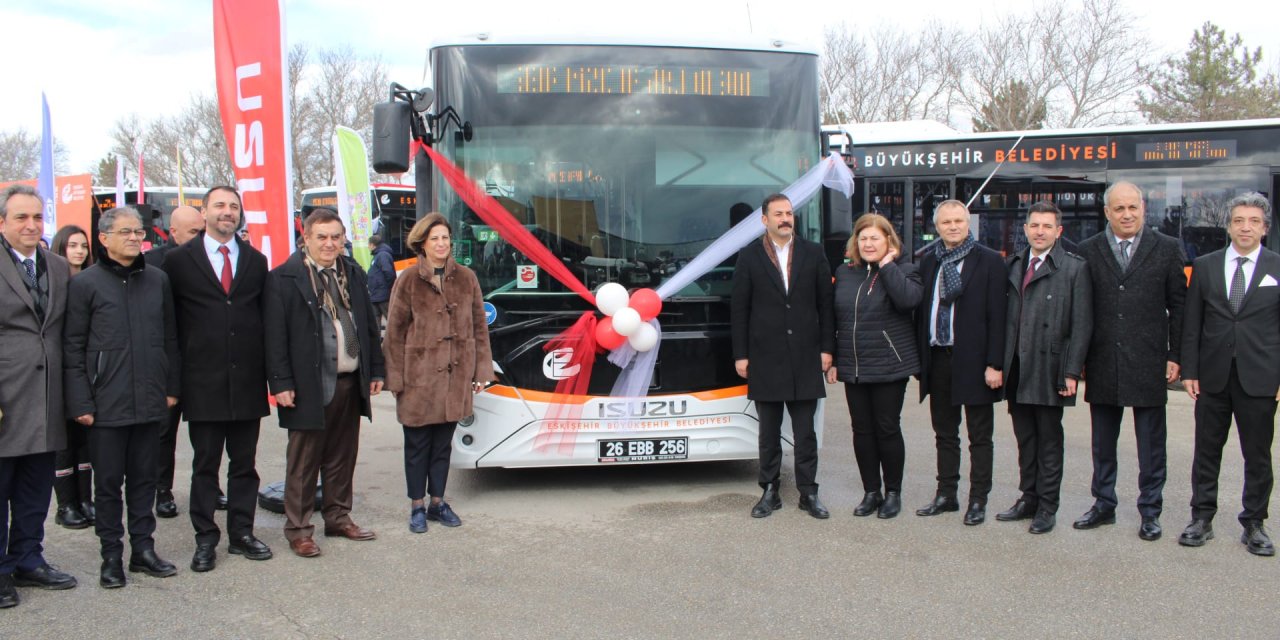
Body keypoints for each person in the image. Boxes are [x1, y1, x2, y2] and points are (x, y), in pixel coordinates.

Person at [64, 206, 181, 588]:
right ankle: (111, 557)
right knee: (109, 485)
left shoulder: (157, 280)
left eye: (139, 232)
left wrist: (170, 388)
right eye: (126, 232)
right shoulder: (85, 285)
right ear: (104, 238)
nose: (135, 237)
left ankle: (143, 551)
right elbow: (74, 346)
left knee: (145, 481)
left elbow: (170, 339)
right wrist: (81, 401)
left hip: (149, 401)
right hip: (106, 405)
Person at [160, 186, 273, 572]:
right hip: (202, 383)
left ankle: (241, 534)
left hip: (246, 383)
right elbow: (169, 328)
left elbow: (266, 323)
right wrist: (173, 383)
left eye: (234, 207)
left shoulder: (257, 262)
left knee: (245, 465)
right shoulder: (177, 262)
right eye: (220, 206)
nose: (228, 212)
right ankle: (205, 538)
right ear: (204, 211)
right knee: (205, 466)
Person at [265, 209, 386, 557]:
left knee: (341, 457)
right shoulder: (284, 278)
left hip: (349, 382)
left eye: (336, 236)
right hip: (308, 385)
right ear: (306, 238)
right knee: (304, 462)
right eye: (322, 237)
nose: (330, 243)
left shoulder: (353, 272)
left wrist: (375, 371)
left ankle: (337, 517)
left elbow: (366, 325)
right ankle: (300, 529)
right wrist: (281, 382)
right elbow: (274, 337)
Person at [1073, 181, 1186, 541]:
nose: (1126, 215)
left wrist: (1175, 355)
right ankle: (1103, 504)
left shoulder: (1167, 248)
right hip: (1103, 360)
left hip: (1149, 362)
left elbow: (1179, 307)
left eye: (1132, 208)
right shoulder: (1088, 250)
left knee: (1151, 445)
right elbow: (1080, 310)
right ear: (1107, 212)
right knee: (1103, 442)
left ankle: (1150, 511)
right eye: (1118, 209)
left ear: (1143, 209)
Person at [1179, 192, 1279, 556]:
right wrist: (1189, 369)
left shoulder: (1276, 267)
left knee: (1258, 455)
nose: (1245, 227)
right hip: (1212, 376)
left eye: (1253, 221)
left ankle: (1254, 523)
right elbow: (1192, 323)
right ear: (1229, 225)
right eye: (1239, 220)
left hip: (1260, 377)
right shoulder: (1205, 266)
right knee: (1206, 451)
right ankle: (1201, 518)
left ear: (1264, 229)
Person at [384, 212, 494, 533]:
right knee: (417, 445)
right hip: (417, 378)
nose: (442, 243)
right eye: (435, 238)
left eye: (445, 237)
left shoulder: (467, 278)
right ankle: (417, 505)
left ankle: (437, 502)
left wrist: (481, 370)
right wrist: (395, 378)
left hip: (455, 376)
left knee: (443, 445)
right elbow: (394, 332)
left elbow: (479, 328)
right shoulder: (407, 280)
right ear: (422, 243)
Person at [731, 193, 835, 520]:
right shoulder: (749, 257)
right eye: (778, 214)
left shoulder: (814, 253)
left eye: (789, 213)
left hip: (806, 357)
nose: (785, 219)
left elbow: (826, 306)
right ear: (765, 220)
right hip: (765, 358)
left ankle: (808, 493)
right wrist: (741, 355)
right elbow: (740, 310)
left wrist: (827, 349)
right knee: (769, 431)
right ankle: (770, 491)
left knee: (806, 432)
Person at [0, 185, 77, 608]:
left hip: (48, 399)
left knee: (34, 488)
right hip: (5, 399)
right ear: (3, 222)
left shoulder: (58, 267)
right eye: (21, 218)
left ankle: (28, 558)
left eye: (37, 217)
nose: (31, 225)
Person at [996, 202, 1093, 534]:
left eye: (1047, 226)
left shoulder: (1074, 268)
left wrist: (1071, 371)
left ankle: (1047, 507)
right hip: (1018, 367)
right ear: (1025, 229)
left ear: (1059, 231)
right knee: (1025, 438)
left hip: (1051, 367)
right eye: (1034, 225)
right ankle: (1028, 497)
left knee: (1049, 440)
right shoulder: (1013, 264)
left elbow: (1082, 325)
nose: (1040, 231)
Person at [915, 199, 1006, 526]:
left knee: (979, 436)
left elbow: (998, 317)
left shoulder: (991, 262)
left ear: (968, 224)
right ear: (936, 227)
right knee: (944, 433)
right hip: (938, 359)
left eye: (958, 221)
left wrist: (995, 363)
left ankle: (978, 499)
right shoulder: (928, 262)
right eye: (946, 222)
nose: (952, 227)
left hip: (976, 362)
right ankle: (946, 495)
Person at [826, 214, 920, 519]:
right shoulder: (844, 272)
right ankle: (871, 491)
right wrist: (834, 359)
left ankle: (893, 492)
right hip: (854, 365)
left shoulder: (906, 270)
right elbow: (835, 318)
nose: (868, 244)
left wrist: (888, 265)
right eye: (863, 238)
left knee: (887, 428)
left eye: (875, 238)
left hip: (890, 365)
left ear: (889, 242)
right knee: (861, 431)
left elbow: (908, 301)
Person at [144, 205, 208, 518]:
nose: (201, 237)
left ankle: (209, 487)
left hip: (202, 361)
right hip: (167, 362)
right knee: (163, 432)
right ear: (174, 232)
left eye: (203, 230)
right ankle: (161, 489)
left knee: (208, 431)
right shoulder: (153, 264)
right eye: (194, 232)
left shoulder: (213, 258)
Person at [49, 225, 95, 530]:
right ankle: (66, 504)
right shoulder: (54, 283)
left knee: (86, 441)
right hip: (60, 369)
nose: (79, 251)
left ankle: (85, 499)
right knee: (64, 441)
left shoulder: (92, 280)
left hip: (89, 370)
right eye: (72, 245)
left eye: (83, 246)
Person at [367, 234, 396, 330]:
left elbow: (389, 273)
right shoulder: (378, 255)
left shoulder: (382, 255)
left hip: (382, 294)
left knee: (392, 319)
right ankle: (377, 342)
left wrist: (384, 287)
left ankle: (397, 341)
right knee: (375, 321)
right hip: (376, 294)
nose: (368, 247)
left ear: (372, 245)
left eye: (368, 244)